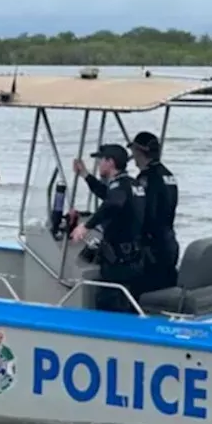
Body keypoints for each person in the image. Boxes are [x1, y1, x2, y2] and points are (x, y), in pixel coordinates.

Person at [70, 144, 146, 313]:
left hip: (119, 261)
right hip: (134, 257)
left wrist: (85, 226)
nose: (99, 164)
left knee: (109, 303)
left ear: (110, 162)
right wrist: (85, 175)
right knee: (129, 302)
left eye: (101, 160)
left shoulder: (119, 187)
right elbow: (106, 193)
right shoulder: (132, 184)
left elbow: (113, 203)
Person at [129, 131, 180, 292]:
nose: (133, 157)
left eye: (134, 152)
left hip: (152, 247)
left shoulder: (146, 178)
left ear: (140, 152)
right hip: (169, 242)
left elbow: (144, 212)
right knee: (165, 286)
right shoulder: (168, 175)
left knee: (141, 290)